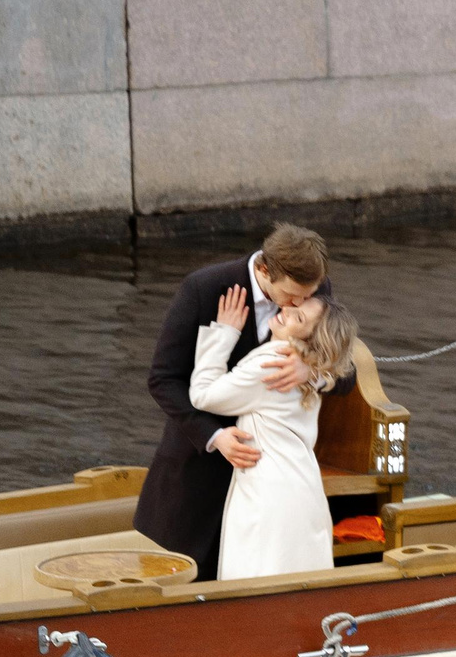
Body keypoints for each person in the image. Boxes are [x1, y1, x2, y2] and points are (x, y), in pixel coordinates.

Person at [134, 225, 345, 582]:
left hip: (268, 488)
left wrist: (311, 368)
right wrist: (215, 437)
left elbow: (346, 369)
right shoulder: (203, 288)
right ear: (264, 270)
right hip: (197, 478)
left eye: (306, 297)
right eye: (291, 297)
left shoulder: (313, 291)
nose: (298, 305)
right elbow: (162, 379)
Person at [189, 285, 360, 581]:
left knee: (255, 592)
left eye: (299, 319)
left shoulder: (271, 364)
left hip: (269, 498)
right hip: (303, 491)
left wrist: (225, 333)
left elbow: (203, 395)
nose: (286, 312)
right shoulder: (308, 366)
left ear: (310, 339)